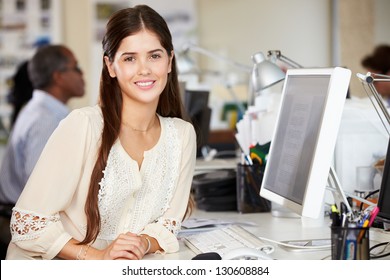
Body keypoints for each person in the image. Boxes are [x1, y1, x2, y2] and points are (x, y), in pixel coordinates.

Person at [6, 5, 196, 260]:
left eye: (155, 56)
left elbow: (169, 224)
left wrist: (143, 243)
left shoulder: (182, 135)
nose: (144, 69)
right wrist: (99, 257)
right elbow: (27, 224)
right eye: (129, 58)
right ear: (111, 66)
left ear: (170, 61)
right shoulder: (83, 125)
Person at [0, 45, 85, 259]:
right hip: (27, 229)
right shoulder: (46, 120)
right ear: (58, 76)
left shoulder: (39, 110)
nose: (82, 74)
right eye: (76, 68)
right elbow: (42, 189)